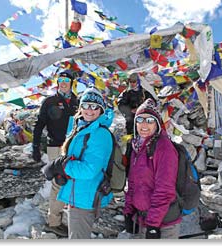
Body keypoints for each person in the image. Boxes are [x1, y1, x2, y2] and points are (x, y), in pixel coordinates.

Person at [56, 86, 114, 239]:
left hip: (85, 196)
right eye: (86, 105)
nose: (90, 110)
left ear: (101, 110)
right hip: (78, 192)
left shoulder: (99, 134)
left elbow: (89, 170)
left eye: (95, 106)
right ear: (80, 107)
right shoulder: (81, 127)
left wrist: (63, 167)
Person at [123, 98, 181, 239]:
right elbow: (133, 183)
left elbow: (164, 190)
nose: (144, 124)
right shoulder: (137, 147)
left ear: (157, 124)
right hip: (143, 219)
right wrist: (129, 211)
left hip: (163, 223)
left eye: (149, 120)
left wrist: (153, 225)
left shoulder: (164, 148)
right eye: (140, 119)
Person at [32, 70, 79, 236]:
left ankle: (73, 216)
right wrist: (35, 146)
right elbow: (39, 125)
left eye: (66, 80)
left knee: (74, 179)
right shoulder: (50, 101)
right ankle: (54, 222)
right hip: (55, 146)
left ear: (72, 82)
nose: (63, 82)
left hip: (73, 147)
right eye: (60, 80)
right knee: (58, 182)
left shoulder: (76, 101)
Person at [117, 72, 155, 170]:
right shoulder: (126, 93)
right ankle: (129, 166)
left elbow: (153, 102)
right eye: (130, 81)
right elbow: (120, 105)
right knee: (132, 142)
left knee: (146, 142)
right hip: (131, 122)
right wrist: (130, 111)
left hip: (144, 122)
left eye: (134, 81)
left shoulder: (144, 92)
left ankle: (146, 164)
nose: (132, 83)